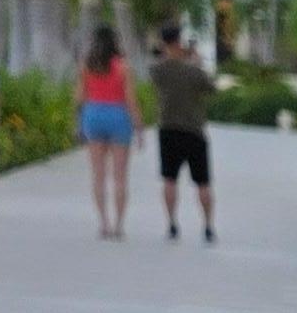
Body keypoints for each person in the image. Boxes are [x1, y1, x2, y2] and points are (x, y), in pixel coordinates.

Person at [150, 20, 214, 243]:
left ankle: (172, 224)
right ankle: (208, 226)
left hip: (168, 129)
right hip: (194, 130)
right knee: (203, 182)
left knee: (169, 179)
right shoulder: (193, 70)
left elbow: (156, 71)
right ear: (179, 40)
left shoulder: (158, 70)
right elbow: (211, 88)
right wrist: (196, 62)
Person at [75, 22, 140, 239]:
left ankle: (104, 223)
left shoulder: (86, 66)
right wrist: (139, 126)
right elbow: (130, 99)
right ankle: (119, 225)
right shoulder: (123, 67)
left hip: (93, 114)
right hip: (118, 115)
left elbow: (79, 97)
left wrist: (78, 123)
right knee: (120, 176)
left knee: (98, 174)